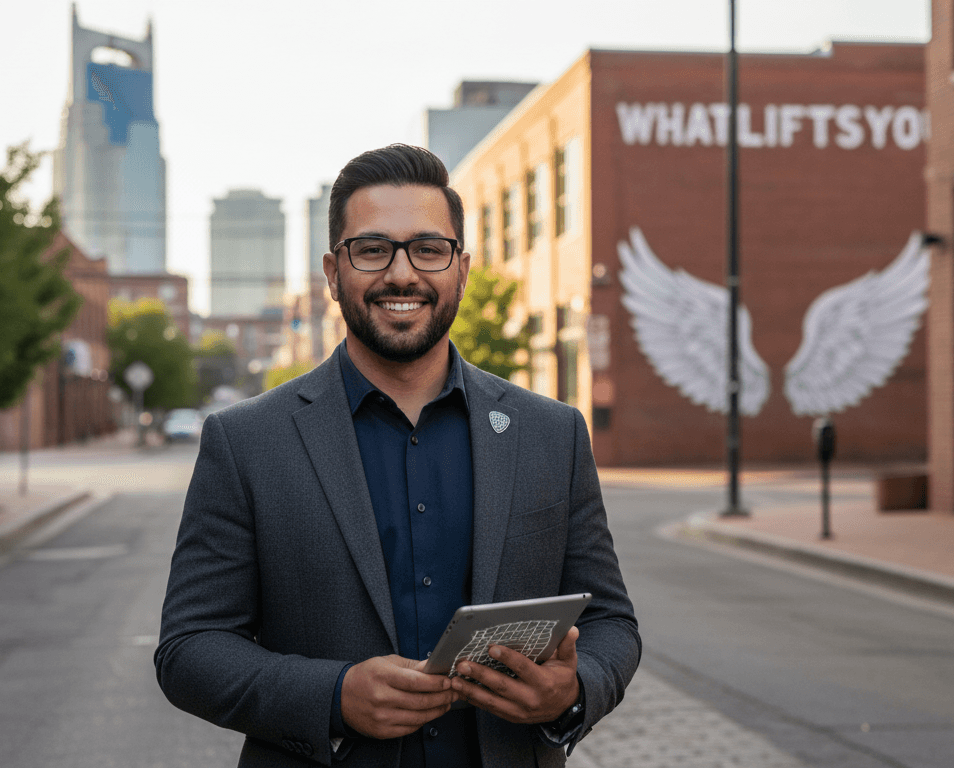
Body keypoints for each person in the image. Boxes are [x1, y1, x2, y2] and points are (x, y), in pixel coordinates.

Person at [155, 144, 639, 767]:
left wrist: (572, 692)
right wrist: (333, 695)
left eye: (428, 249)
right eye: (372, 249)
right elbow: (190, 648)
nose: (402, 274)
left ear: (462, 269)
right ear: (333, 273)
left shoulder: (552, 433)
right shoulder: (246, 441)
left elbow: (610, 622)